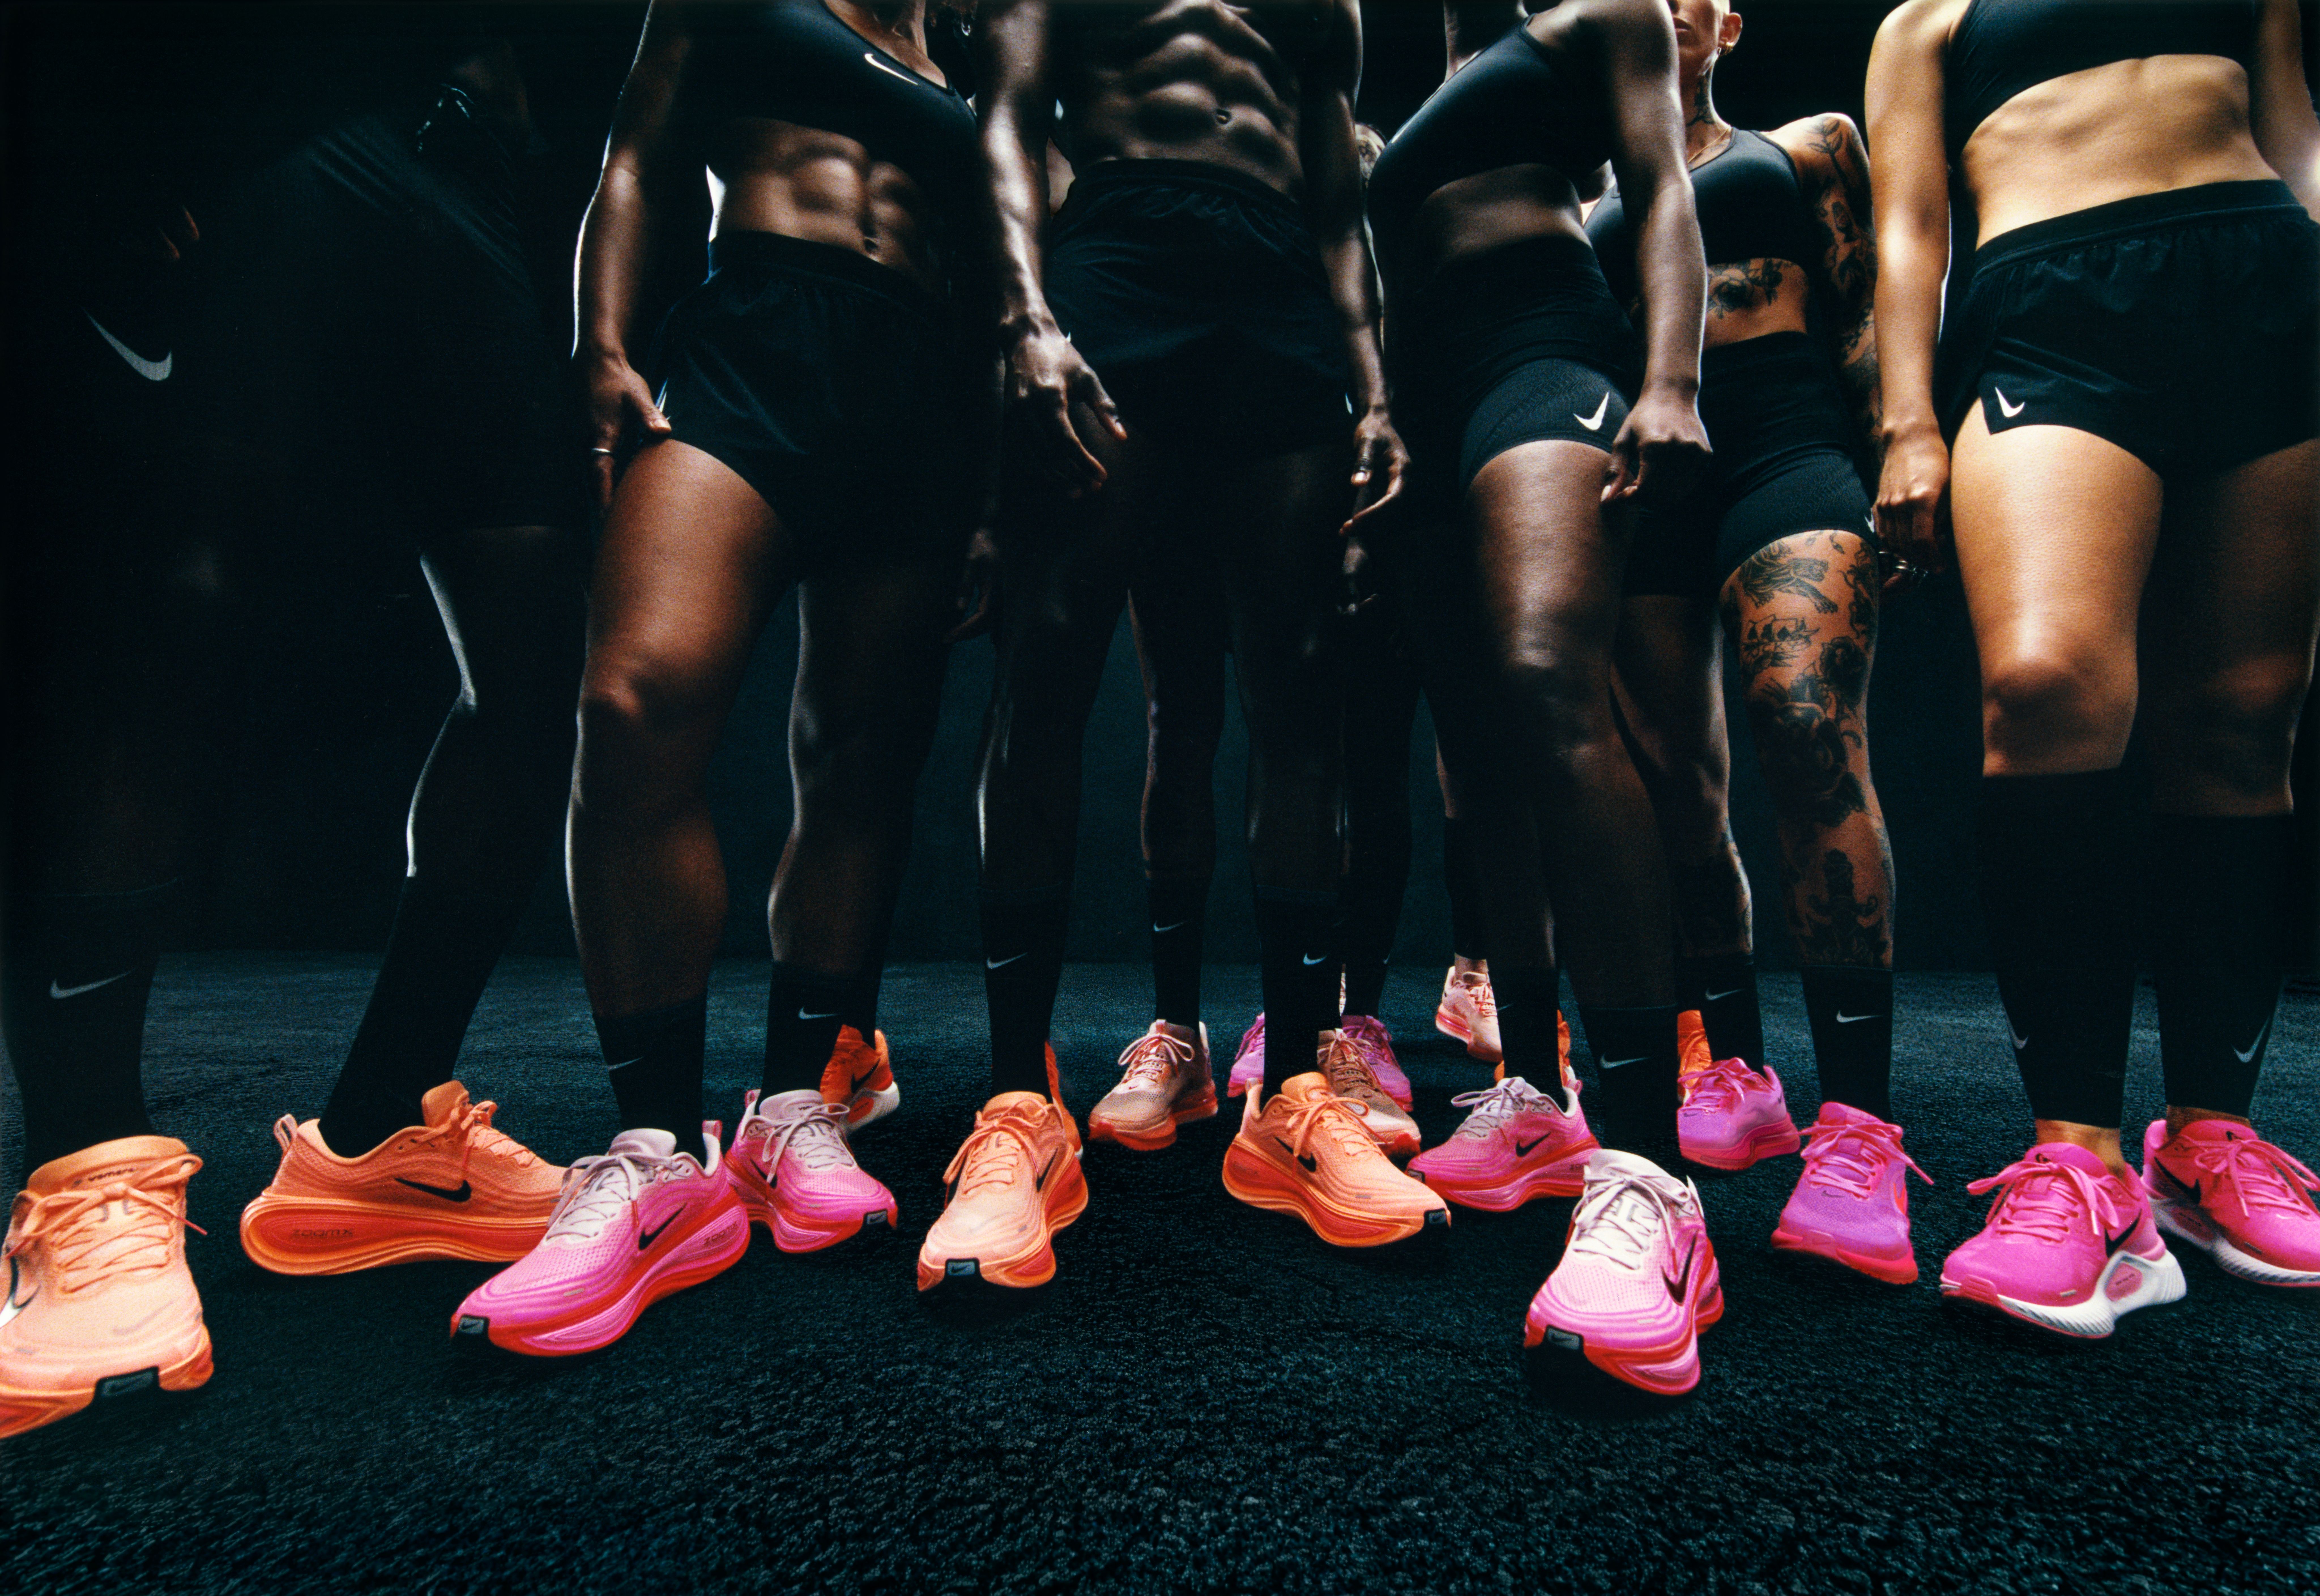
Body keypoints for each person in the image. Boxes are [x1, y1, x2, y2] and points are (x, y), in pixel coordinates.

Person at [1, 17, 580, 1436]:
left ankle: (378, 1136)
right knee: (162, 598)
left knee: (537, 672)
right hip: (280, 128)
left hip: (490, 198)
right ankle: (85, 1181)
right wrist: (113, 134)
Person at [451, 0, 989, 1354]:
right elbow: (637, 153)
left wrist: (982, 489)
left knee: (861, 760)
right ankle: (652, 1150)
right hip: (751, 339)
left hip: (918, 392)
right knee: (632, 704)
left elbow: (994, 265)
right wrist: (605, 342)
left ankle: (789, 1106)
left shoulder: (970, 49)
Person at [942, 0, 1442, 1288]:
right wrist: (1024, 314)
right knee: (1047, 665)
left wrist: (1377, 393)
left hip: (1280, 293)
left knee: (1299, 694)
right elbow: (1005, 117)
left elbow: (1339, 205)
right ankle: (1016, 1109)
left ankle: (1290, 1101)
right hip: (1120, 255)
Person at [1869, 0, 2320, 1337]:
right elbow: (1908, 229)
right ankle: (2078, 1160)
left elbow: (2290, 133)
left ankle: (2207, 1142)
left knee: (2242, 719)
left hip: (2263, 286)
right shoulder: (1930, 22)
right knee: (2047, 682)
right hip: (2048, 305)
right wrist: (1904, 416)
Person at [1366, 0, 1715, 1393]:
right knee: (1473, 759)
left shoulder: (1595, 20)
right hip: (1427, 394)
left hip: (1541, 351)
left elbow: (1663, 184)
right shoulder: (1413, 104)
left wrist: (1670, 377)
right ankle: (1528, 1090)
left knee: (1544, 677)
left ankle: (1648, 1168)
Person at [1586, 0, 1926, 1284]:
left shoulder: (1802, 146)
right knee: (1671, 775)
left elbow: (1859, 299)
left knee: (1798, 720)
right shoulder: (1585, 206)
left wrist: (1899, 438)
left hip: (1786, 446)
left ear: (1723, 23)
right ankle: (1732, 1064)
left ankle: (1857, 1125)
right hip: (1650, 474)